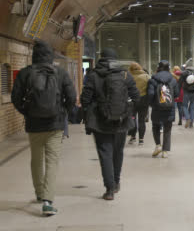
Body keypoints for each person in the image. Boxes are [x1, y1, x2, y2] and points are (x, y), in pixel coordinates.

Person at [11, 40, 76, 216]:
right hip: (55, 124)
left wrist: (27, 112)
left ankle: (39, 193)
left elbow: (15, 98)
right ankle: (48, 200)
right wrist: (63, 112)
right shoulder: (61, 73)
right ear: (50, 56)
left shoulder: (25, 73)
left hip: (34, 124)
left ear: (34, 55)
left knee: (36, 160)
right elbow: (71, 97)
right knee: (52, 161)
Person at [81, 48, 140, 201]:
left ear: (101, 58)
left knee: (105, 153)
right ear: (116, 60)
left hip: (100, 122)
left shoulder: (93, 75)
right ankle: (117, 181)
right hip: (122, 121)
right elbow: (136, 97)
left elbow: (85, 99)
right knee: (118, 152)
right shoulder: (125, 75)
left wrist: (89, 113)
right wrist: (127, 110)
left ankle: (109, 189)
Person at [147, 60, 179, 158]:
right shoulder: (173, 80)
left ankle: (158, 146)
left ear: (158, 67)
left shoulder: (153, 79)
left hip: (157, 107)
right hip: (169, 108)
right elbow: (176, 94)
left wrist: (152, 104)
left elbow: (151, 94)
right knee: (167, 129)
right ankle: (165, 151)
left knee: (156, 126)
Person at [128, 62, 151, 145]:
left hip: (132, 101)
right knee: (142, 120)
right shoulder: (146, 76)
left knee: (132, 118)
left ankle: (133, 137)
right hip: (144, 100)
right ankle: (141, 139)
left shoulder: (128, 76)